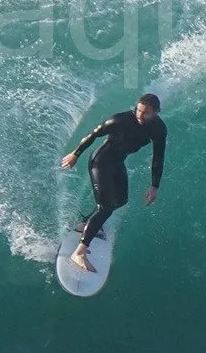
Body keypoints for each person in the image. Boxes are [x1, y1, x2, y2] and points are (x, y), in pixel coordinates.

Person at [58, 92, 166, 272]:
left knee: (121, 201)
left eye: (145, 113)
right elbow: (93, 134)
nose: (140, 115)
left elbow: (158, 157)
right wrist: (75, 154)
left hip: (117, 163)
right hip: (100, 162)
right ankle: (79, 252)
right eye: (138, 110)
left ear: (156, 112)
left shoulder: (159, 130)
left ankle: (86, 225)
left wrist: (155, 185)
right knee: (106, 207)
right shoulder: (120, 120)